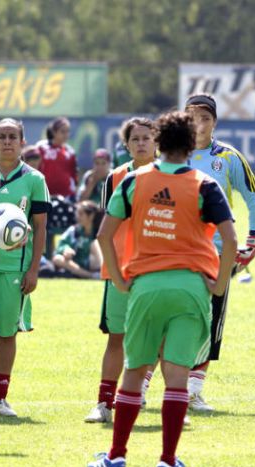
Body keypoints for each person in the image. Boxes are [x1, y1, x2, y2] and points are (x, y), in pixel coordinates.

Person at [88, 111, 237, 467]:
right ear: (190, 145)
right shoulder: (205, 184)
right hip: (190, 289)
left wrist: (121, 279)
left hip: (145, 286)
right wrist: (219, 284)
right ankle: (168, 462)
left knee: (135, 370)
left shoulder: (133, 181)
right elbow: (231, 241)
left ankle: (117, 457)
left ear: (158, 141)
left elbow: (104, 235)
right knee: (177, 377)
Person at [183, 93, 255, 412]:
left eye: (206, 118)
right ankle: (147, 385)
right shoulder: (172, 153)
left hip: (216, 253)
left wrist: (253, 241)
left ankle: (193, 391)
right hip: (174, 250)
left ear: (215, 123)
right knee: (168, 316)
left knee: (210, 320)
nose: (199, 124)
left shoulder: (229, 157)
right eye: (193, 117)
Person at [85, 118, 161, 423]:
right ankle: (104, 403)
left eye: (147, 138)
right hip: (119, 271)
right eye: (135, 139)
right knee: (116, 338)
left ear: (157, 141)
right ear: (126, 145)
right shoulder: (115, 178)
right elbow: (108, 226)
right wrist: (113, 268)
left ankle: (147, 391)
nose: (141, 143)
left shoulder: (170, 175)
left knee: (158, 336)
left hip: (156, 270)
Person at [0, 118, 50, 417]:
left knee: (7, 334)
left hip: (15, 270)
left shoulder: (34, 179)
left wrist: (33, 269)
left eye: (13, 137)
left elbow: (40, 227)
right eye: (2, 136)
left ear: (23, 142)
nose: (7, 142)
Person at [36, 117, 78, 258]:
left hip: (65, 197)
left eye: (68, 132)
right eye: (62, 131)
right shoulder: (41, 148)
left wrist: (73, 193)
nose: (66, 135)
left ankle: (63, 256)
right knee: (44, 227)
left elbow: (73, 174)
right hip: (44, 195)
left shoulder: (70, 151)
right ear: (53, 132)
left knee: (64, 228)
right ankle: (44, 258)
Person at [51, 201, 103, 279]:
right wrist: (66, 249)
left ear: (91, 216)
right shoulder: (73, 230)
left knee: (94, 244)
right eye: (77, 213)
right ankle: (91, 276)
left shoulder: (100, 231)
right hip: (75, 262)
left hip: (93, 263)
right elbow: (61, 244)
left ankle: (89, 274)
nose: (77, 217)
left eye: (81, 214)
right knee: (57, 258)